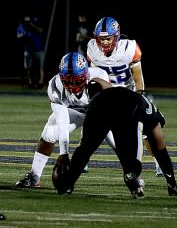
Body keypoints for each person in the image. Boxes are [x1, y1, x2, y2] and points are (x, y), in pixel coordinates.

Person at [51, 82, 177, 197]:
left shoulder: (139, 101)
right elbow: (161, 152)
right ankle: (131, 175)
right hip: (126, 109)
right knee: (133, 164)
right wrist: (172, 185)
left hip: (99, 102)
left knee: (86, 148)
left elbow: (101, 85)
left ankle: (67, 185)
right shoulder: (154, 118)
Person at [16, 52, 117, 189]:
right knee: (50, 130)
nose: (73, 85)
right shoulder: (55, 86)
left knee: (114, 139)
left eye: (77, 80)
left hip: (99, 112)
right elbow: (62, 119)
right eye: (68, 80)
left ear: (86, 75)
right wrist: (64, 153)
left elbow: (106, 114)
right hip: (75, 111)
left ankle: (132, 172)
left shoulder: (100, 78)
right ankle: (34, 177)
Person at [86, 16, 163, 176]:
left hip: (128, 95)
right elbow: (93, 75)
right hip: (106, 95)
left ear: (116, 36)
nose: (105, 42)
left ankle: (159, 163)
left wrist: (140, 97)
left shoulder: (129, 48)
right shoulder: (92, 48)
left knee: (145, 132)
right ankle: (83, 161)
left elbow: (138, 77)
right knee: (90, 125)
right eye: (101, 39)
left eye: (108, 39)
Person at [16, 15, 45, 88]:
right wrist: (23, 34)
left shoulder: (36, 20)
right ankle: (30, 82)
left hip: (38, 48)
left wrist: (31, 24)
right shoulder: (22, 24)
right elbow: (18, 35)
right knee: (28, 67)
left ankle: (40, 82)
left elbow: (41, 30)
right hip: (27, 48)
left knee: (40, 66)